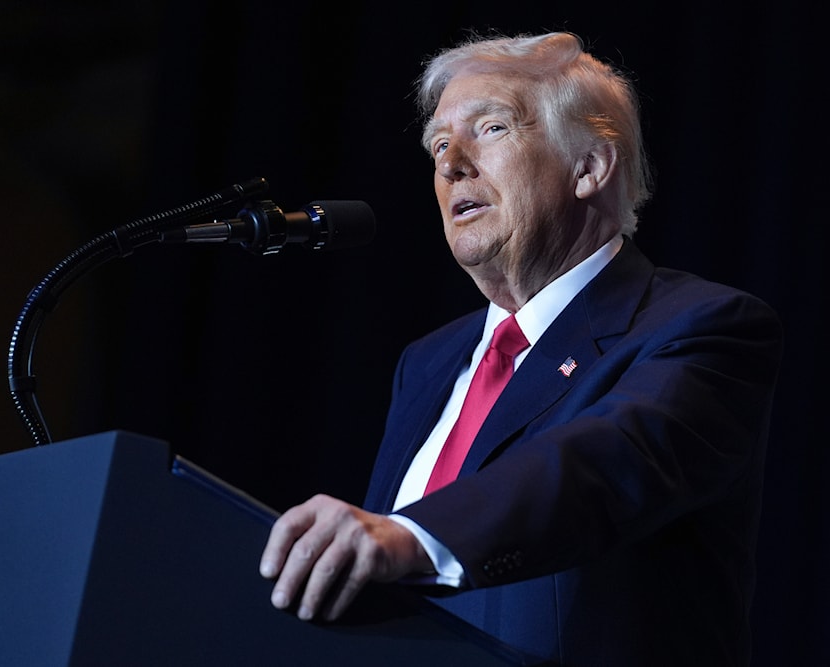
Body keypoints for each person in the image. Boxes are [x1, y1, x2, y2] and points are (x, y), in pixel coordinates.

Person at [259, 31, 783, 665]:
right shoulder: (427, 363)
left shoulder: (701, 327)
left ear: (589, 167)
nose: (451, 164)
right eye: (440, 145)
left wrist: (414, 537)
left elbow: (601, 462)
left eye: (493, 128)